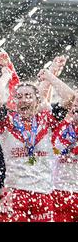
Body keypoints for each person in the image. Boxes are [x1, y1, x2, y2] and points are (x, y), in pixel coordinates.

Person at [0, 69, 74, 222]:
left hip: (43, 193)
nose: (23, 100)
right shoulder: (7, 122)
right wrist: (6, 76)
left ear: (38, 101)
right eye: (19, 96)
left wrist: (50, 76)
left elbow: (69, 97)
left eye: (28, 96)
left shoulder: (47, 120)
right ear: (14, 102)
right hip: (15, 194)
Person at [51, 94, 78, 222]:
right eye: (74, 107)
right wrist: (49, 75)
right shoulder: (58, 125)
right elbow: (70, 96)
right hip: (60, 190)